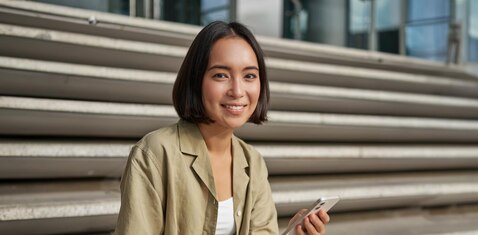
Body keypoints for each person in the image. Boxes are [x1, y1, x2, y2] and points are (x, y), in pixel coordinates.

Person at [114, 21, 330, 235]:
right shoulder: (154, 153)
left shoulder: (252, 162)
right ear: (196, 80)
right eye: (221, 75)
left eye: (249, 76)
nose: (237, 90)